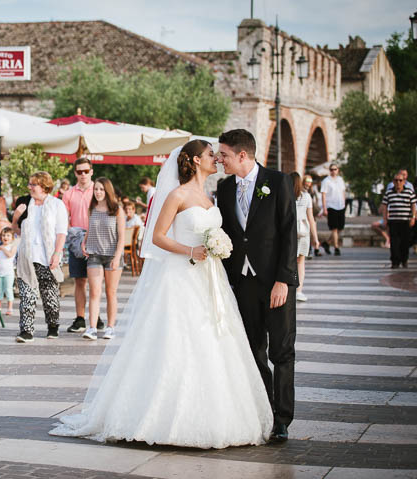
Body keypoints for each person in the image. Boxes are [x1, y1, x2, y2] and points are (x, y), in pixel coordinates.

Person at [51, 139, 273, 447]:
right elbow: (156, 237)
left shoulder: (210, 195)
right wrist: (190, 250)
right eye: (211, 155)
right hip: (180, 277)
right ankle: (162, 417)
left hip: (211, 279)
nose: (217, 159)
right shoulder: (177, 194)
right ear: (195, 161)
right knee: (179, 340)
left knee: (214, 339)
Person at [216, 129, 298, 442]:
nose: (219, 159)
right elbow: (229, 233)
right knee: (252, 350)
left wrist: (284, 280)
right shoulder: (224, 188)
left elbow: (289, 232)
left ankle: (282, 419)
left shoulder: (278, 182)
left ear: (242, 155)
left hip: (276, 283)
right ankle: (264, 409)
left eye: (223, 154)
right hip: (244, 283)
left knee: (281, 351)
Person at [12, 171, 68, 342]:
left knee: (49, 296)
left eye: (33, 184)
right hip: (27, 257)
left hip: (47, 257)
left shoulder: (57, 205)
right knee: (27, 296)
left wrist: (57, 254)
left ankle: (53, 325)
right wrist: (15, 217)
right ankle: (26, 331)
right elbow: (16, 230)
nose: (29, 187)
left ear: (44, 186)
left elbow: (61, 232)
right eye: (29, 184)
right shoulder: (24, 203)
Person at [62, 158, 103, 333]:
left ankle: (96, 315)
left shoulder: (99, 191)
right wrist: (70, 236)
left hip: (97, 240)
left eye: (86, 171)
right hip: (77, 242)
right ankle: (80, 318)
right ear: (75, 173)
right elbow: (64, 219)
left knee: (96, 282)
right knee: (79, 280)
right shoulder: (69, 194)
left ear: (91, 171)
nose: (83, 174)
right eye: (79, 171)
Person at [81, 177, 125, 340]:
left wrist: (117, 257)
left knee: (110, 292)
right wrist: (84, 242)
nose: (98, 192)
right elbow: (90, 228)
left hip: (112, 255)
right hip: (94, 254)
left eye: (101, 189)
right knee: (94, 291)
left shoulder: (117, 210)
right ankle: (92, 328)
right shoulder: (91, 207)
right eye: (96, 189)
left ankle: (110, 327)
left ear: (107, 191)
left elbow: (122, 237)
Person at [291, 172, 319, 302]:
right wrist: (316, 238)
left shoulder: (286, 195)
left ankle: (289, 288)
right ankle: (299, 291)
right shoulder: (306, 196)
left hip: (289, 231)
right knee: (300, 262)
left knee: (288, 261)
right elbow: (311, 218)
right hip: (303, 232)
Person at [382, 174, 417, 268]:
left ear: (404, 182)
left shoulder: (409, 192)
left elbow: (413, 205)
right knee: (394, 242)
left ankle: (404, 260)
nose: (398, 182)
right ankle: (395, 261)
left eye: (400, 180)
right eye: (396, 180)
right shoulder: (389, 193)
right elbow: (384, 206)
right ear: (393, 181)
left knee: (404, 242)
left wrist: (413, 217)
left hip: (405, 220)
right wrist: (385, 219)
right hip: (393, 221)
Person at [320, 163, 346, 256]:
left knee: (340, 228)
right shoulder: (326, 181)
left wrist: (344, 203)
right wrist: (324, 208)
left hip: (341, 206)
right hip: (331, 206)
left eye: (335, 169)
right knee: (334, 228)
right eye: (331, 169)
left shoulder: (340, 180)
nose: (333, 171)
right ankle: (336, 247)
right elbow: (323, 194)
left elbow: (343, 192)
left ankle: (327, 243)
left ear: (338, 170)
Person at [0, 227, 17, 316]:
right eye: (3, 235)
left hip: (8, 273)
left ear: (12, 238)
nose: (5, 237)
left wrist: (4, 249)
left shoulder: (12, 247)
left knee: (8, 289)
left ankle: (10, 308)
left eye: (8, 235)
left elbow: (10, 255)